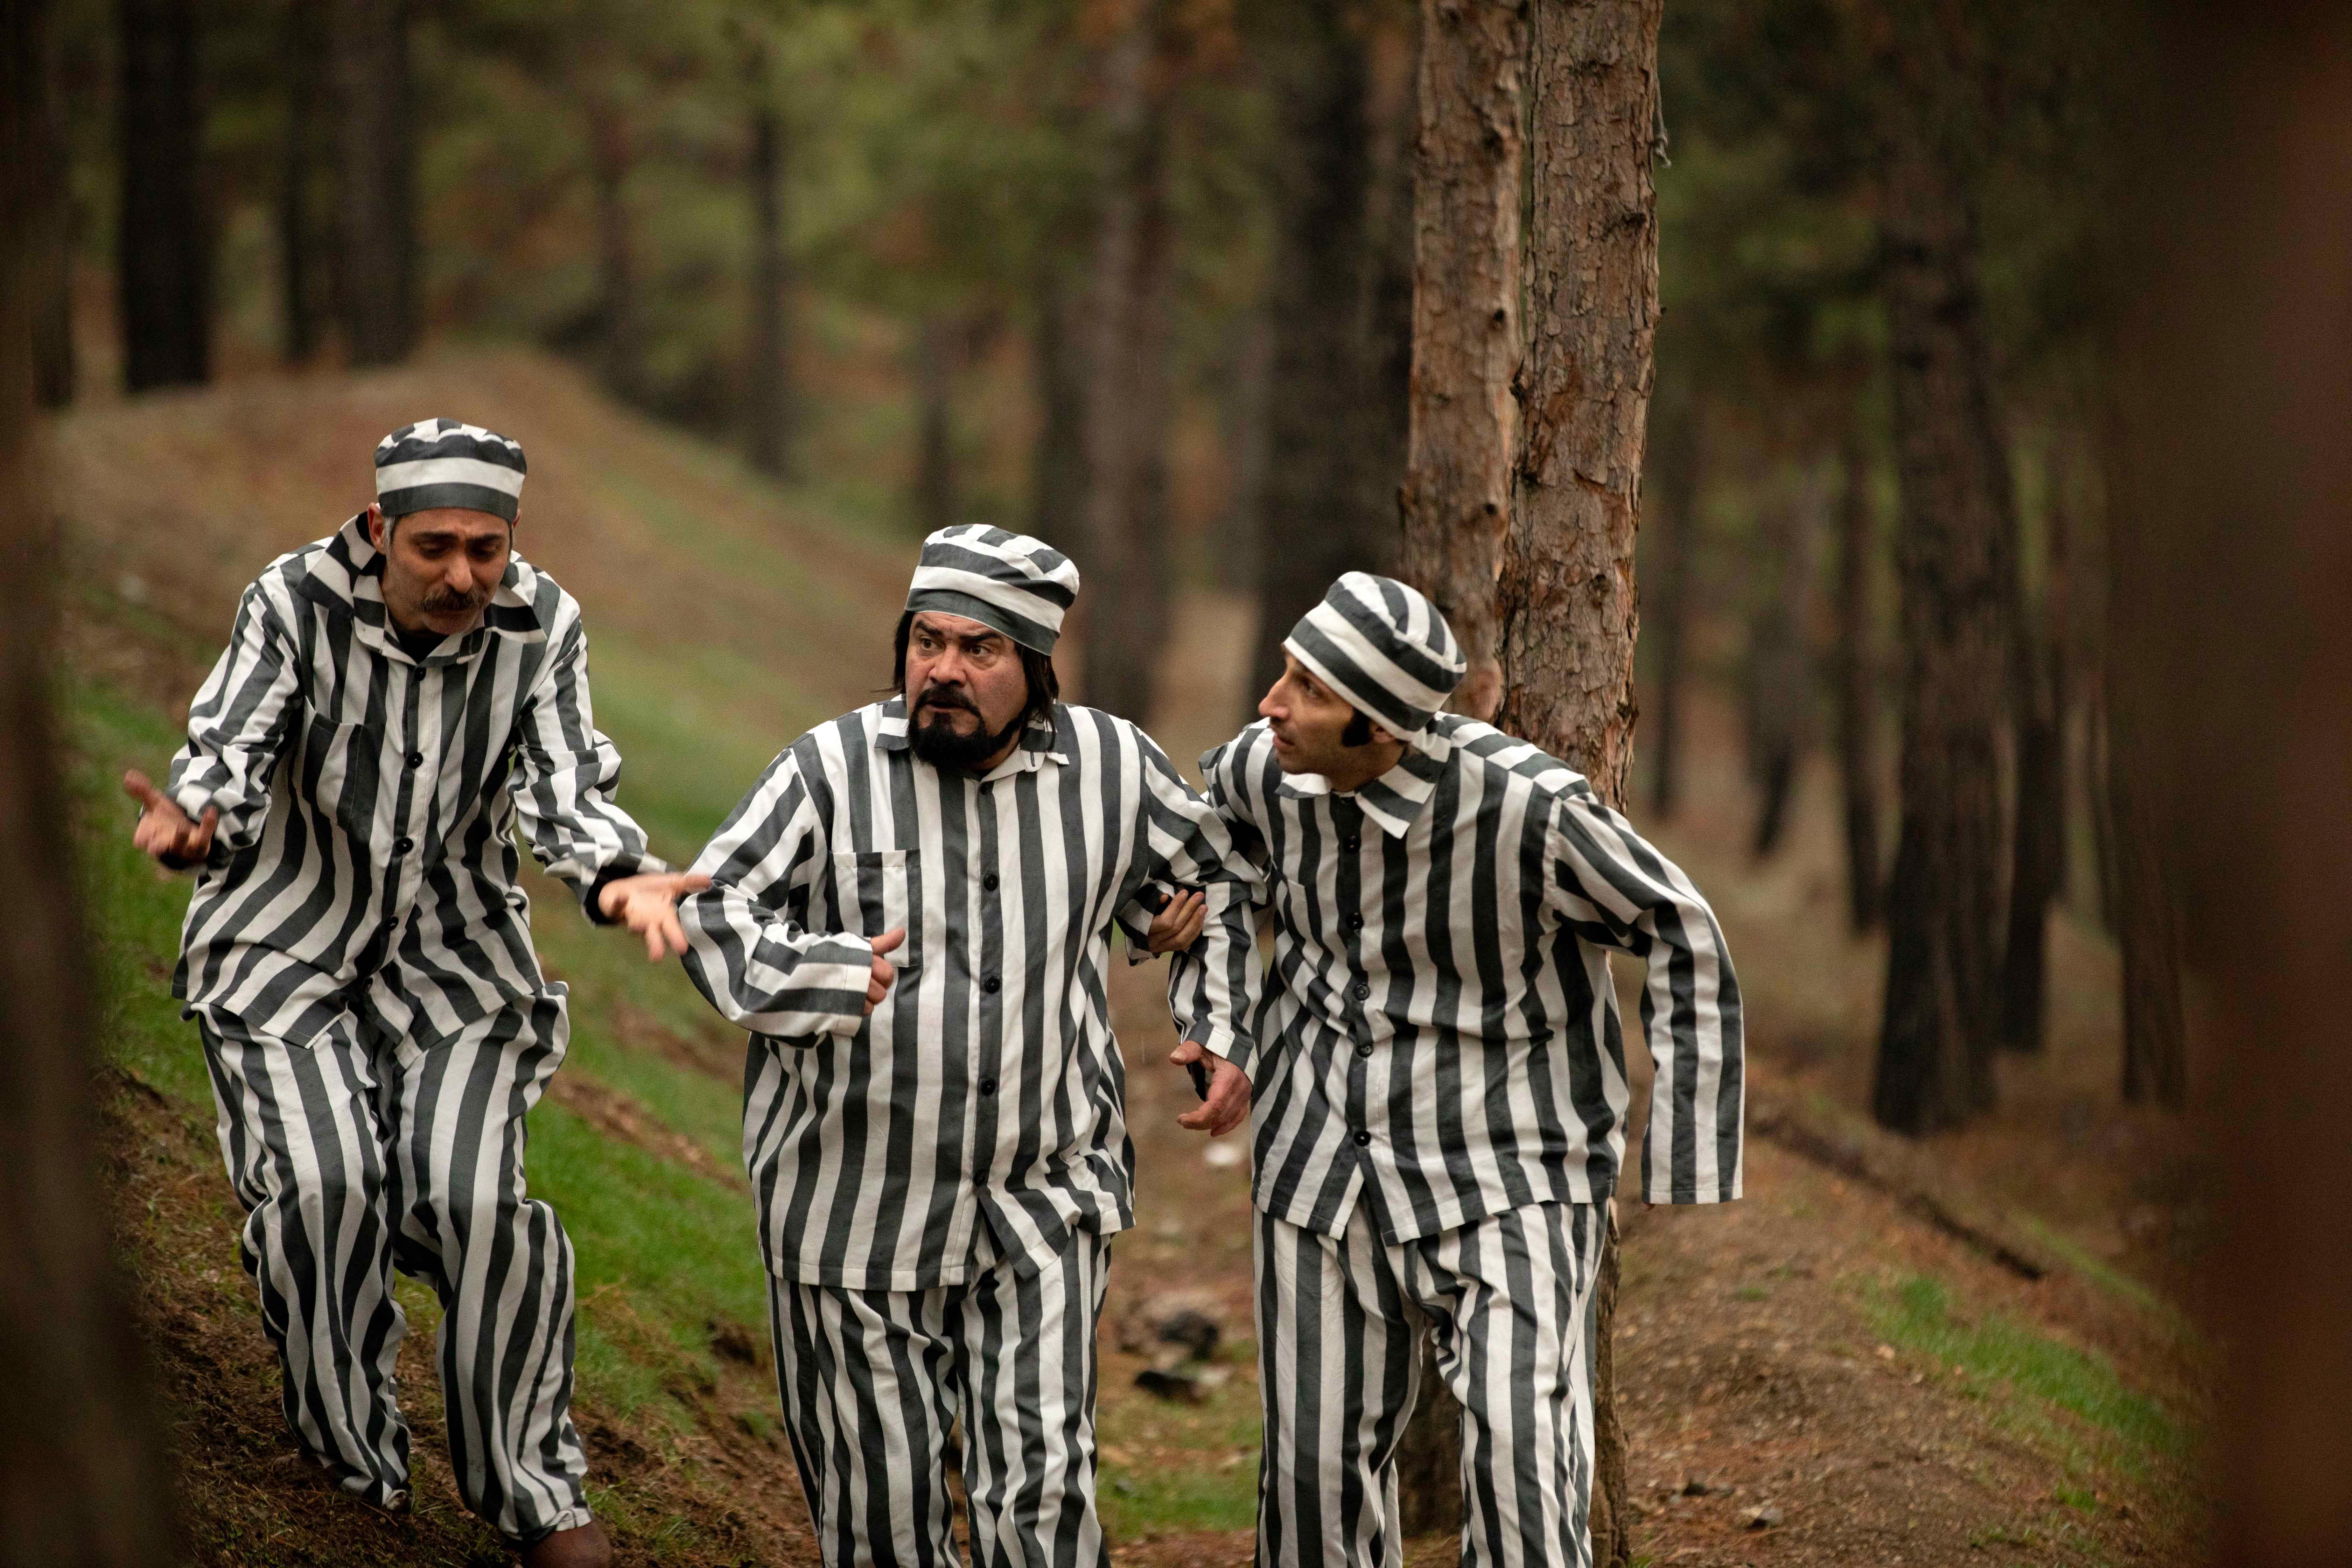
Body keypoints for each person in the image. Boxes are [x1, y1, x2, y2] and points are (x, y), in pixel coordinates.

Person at [125, 418, 704, 1568]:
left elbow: (568, 788)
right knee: (327, 1186)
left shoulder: (545, 628)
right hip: (282, 942)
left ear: (513, 542)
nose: (461, 576)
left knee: (480, 1207)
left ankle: (535, 1491)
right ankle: (353, 1463)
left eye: (486, 550)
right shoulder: (291, 602)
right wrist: (197, 823)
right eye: (435, 546)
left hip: (457, 962)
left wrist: (618, 879)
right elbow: (227, 745)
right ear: (380, 528)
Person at [673, 525, 1255, 1568]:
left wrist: (1214, 1023)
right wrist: (822, 973)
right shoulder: (828, 768)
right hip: (850, 1210)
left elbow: (1225, 889)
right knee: (879, 1522)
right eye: (927, 641)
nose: (943, 670)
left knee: (1040, 1497)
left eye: (979, 650)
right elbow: (708, 914)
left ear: (1036, 673)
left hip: (1048, 1194)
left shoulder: (1115, 768)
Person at [1162, 572, 1744, 1568]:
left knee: (1523, 1460)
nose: (1270, 704)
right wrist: (1218, 1028)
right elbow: (1204, 867)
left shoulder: (1529, 811)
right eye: (1283, 674)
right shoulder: (1262, 772)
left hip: (1510, 1175)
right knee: (1310, 1483)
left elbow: (1680, 931)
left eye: (1306, 688)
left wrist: (1682, 1155)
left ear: (1383, 726)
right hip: (1317, 1174)